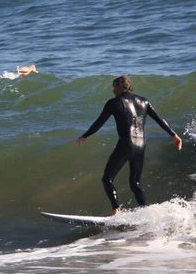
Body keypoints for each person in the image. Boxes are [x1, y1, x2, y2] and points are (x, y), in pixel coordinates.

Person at [76, 75, 182, 216]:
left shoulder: (114, 103)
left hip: (126, 144)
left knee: (107, 178)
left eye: (114, 87)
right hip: (141, 145)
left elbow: (99, 122)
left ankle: (115, 210)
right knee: (135, 183)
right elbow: (159, 119)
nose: (113, 90)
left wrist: (85, 135)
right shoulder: (144, 101)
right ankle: (146, 212)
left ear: (121, 87)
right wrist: (174, 135)